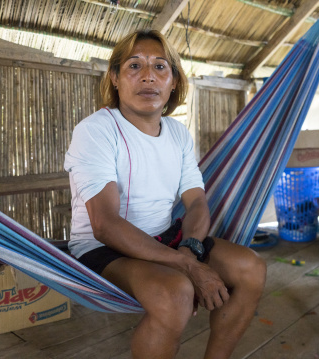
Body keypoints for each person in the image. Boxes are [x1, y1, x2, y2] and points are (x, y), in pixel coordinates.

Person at [64, 29, 266, 359]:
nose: (148, 76)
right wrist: (187, 265)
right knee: (176, 294)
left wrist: (190, 248)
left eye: (160, 67)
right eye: (134, 66)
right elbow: (104, 224)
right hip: (103, 248)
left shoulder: (176, 133)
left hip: (166, 240)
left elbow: (197, 201)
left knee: (251, 268)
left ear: (173, 82)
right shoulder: (97, 130)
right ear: (115, 78)